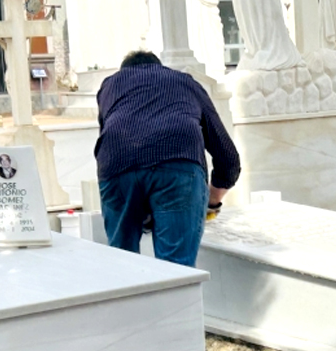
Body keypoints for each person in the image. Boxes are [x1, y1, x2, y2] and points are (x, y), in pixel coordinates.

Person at [94, 50, 240, 267]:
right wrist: (212, 199)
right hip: (177, 163)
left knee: (122, 263)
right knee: (175, 269)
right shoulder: (185, 82)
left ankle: (125, 293)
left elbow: (110, 132)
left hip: (117, 165)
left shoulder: (110, 86)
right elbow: (227, 155)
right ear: (161, 67)